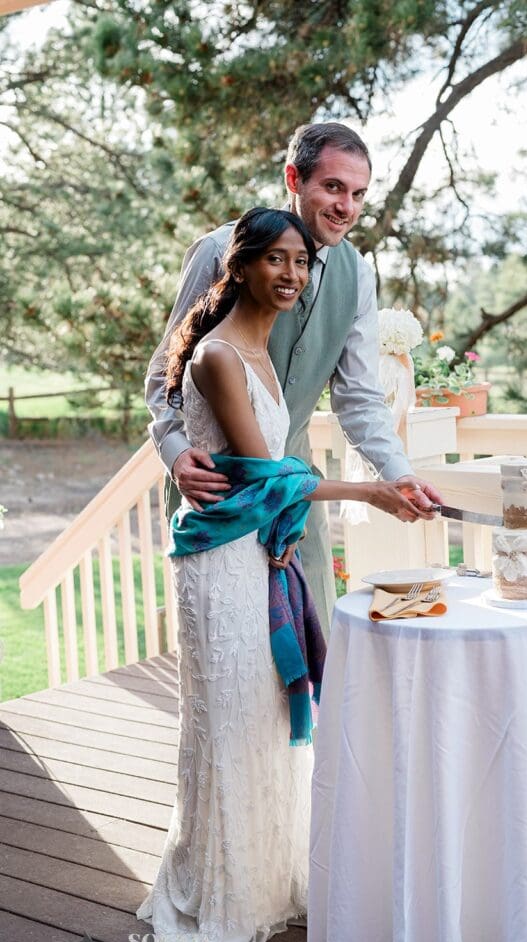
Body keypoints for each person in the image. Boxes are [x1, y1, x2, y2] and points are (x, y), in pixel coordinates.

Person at [136, 207, 431, 942]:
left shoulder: (260, 352)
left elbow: (322, 431)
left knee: (264, 717)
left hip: (255, 552)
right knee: (228, 721)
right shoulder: (219, 359)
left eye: (300, 263)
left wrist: (383, 473)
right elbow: (266, 476)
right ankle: (220, 889)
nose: (292, 274)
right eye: (275, 260)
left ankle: (264, 879)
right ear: (236, 266)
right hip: (218, 561)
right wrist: (367, 493)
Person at [145, 121, 443, 636]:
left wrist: (399, 474)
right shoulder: (222, 250)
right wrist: (174, 453)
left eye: (357, 194)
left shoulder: (358, 275)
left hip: (299, 495)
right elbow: (163, 373)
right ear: (294, 179)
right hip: (217, 495)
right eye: (332, 187)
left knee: (310, 645)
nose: (345, 206)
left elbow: (359, 399)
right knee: (228, 648)